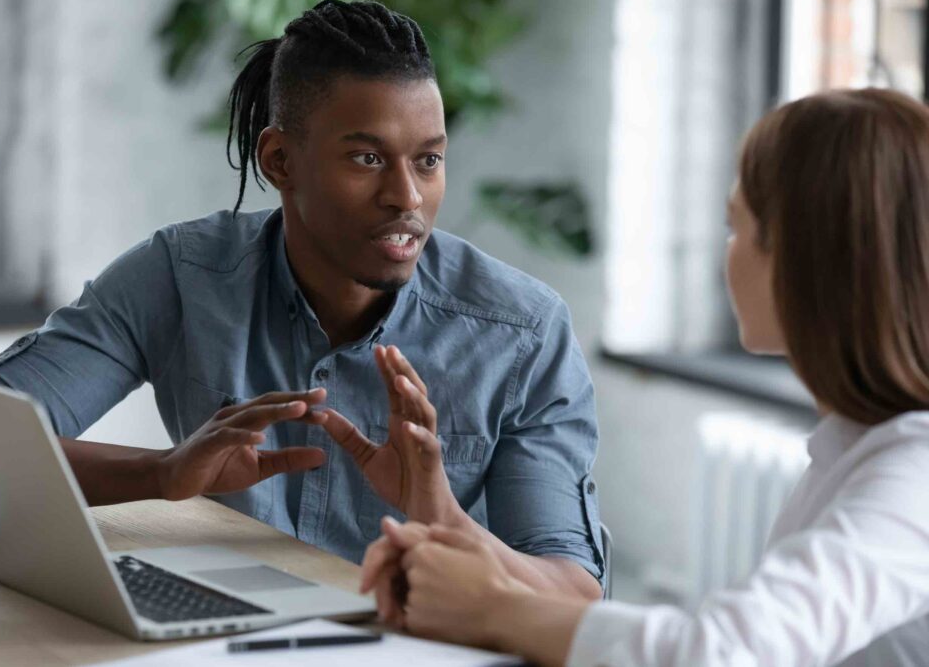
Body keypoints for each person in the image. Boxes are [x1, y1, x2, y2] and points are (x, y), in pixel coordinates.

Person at [0, 0, 604, 599]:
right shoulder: (180, 275)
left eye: (427, 159)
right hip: (216, 638)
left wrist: (442, 512)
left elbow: (572, 592)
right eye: (367, 158)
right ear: (279, 161)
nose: (407, 197)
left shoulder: (522, 332)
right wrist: (162, 472)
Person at [361, 88, 929, 666]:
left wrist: (492, 608)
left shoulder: (913, 477)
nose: (722, 257)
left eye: (737, 228)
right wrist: (457, 547)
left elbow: (721, 653)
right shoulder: (856, 447)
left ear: (807, 257)